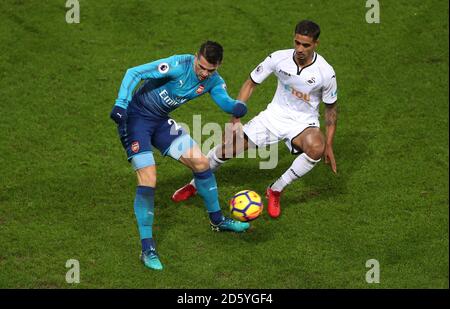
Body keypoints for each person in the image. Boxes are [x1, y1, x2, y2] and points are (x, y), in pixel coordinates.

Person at [172, 20, 338, 219]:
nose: (300, 49)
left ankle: (275, 190)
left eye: (306, 45)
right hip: (272, 117)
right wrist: (236, 117)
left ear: (315, 44)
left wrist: (328, 143)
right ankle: (195, 185)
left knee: (316, 148)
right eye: (297, 43)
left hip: (303, 123)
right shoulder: (279, 58)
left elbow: (330, 108)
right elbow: (250, 84)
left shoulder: (325, 73)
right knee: (226, 150)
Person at [110, 41, 250, 271]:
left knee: (201, 162)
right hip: (134, 120)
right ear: (196, 57)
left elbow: (224, 101)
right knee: (149, 178)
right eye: (201, 67)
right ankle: (147, 249)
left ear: (219, 66)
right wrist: (121, 103)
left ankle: (217, 221)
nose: (204, 73)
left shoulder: (214, 81)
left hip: (160, 121)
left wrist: (236, 107)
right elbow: (134, 72)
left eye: (210, 70)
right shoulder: (178, 64)